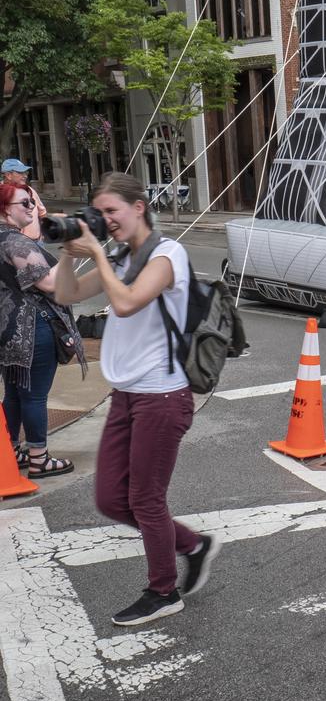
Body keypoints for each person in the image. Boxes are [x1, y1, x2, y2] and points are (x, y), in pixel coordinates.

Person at [53, 172, 221, 627]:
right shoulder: (119, 256)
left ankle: (163, 591)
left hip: (162, 396)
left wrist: (99, 258)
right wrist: (71, 254)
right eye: (100, 213)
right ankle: (192, 544)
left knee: (146, 498)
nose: (105, 220)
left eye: (112, 211)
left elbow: (126, 303)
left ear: (139, 207)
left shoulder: (168, 255)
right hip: (125, 396)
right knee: (110, 499)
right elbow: (65, 293)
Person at [0, 183, 84, 477]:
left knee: (13, 394)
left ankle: (9, 451)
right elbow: (50, 284)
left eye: (31, 202)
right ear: (5, 211)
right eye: (24, 203)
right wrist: (71, 251)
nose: (31, 207)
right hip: (32, 328)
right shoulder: (15, 243)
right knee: (34, 396)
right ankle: (39, 457)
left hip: (7, 330)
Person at [1, 160, 46, 240]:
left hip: (37, 241)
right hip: (12, 242)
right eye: (21, 172)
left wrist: (42, 233)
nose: (25, 176)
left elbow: (41, 212)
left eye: (26, 173)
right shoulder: (1, 193)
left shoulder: (30, 190)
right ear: (8, 175)